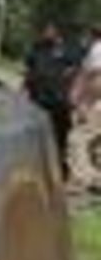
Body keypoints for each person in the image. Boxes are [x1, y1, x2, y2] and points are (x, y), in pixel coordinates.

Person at [25, 23, 77, 170]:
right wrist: (25, 90)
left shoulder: (69, 50)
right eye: (45, 30)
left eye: (50, 30)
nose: (47, 33)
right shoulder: (36, 49)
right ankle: (37, 166)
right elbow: (28, 70)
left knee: (59, 137)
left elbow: (75, 72)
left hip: (59, 102)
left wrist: (70, 92)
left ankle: (59, 168)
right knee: (36, 136)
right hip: (38, 101)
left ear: (58, 32)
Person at [68, 26, 101, 193]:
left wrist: (84, 102)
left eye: (85, 35)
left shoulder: (97, 50)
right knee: (95, 144)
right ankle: (96, 178)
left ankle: (82, 180)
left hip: (95, 105)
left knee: (77, 139)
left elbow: (95, 79)